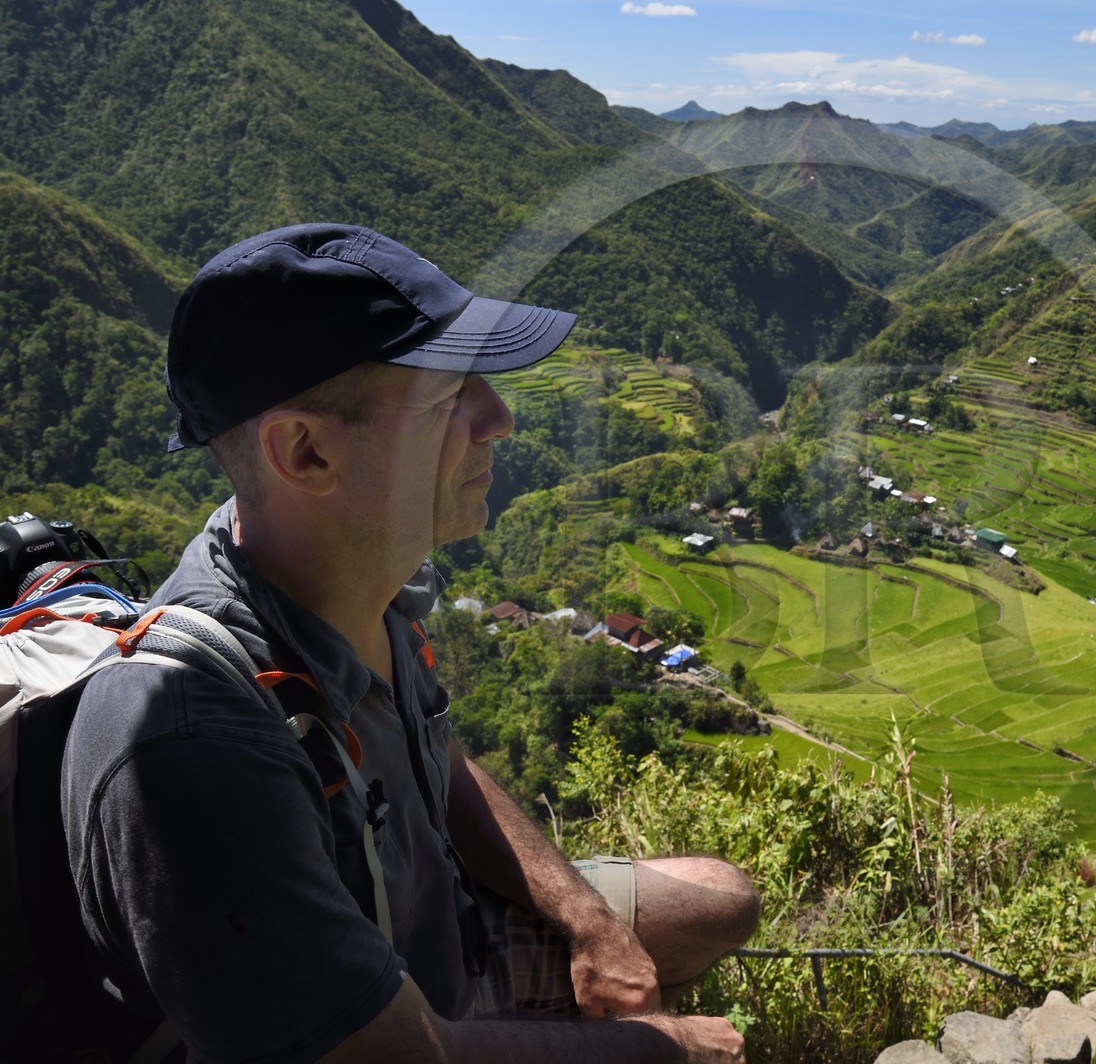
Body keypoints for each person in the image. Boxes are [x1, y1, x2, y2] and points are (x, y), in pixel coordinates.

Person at [62, 223, 759, 1062]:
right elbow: (398, 1056)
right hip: (382, 1025)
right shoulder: (196, 741)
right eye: (446, 401)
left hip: (446, 940)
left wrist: (587, 920)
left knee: (723, 898)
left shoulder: (368, 578)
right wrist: (671, 1049)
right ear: (306, 451)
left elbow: (436, 754)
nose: (497, 419)